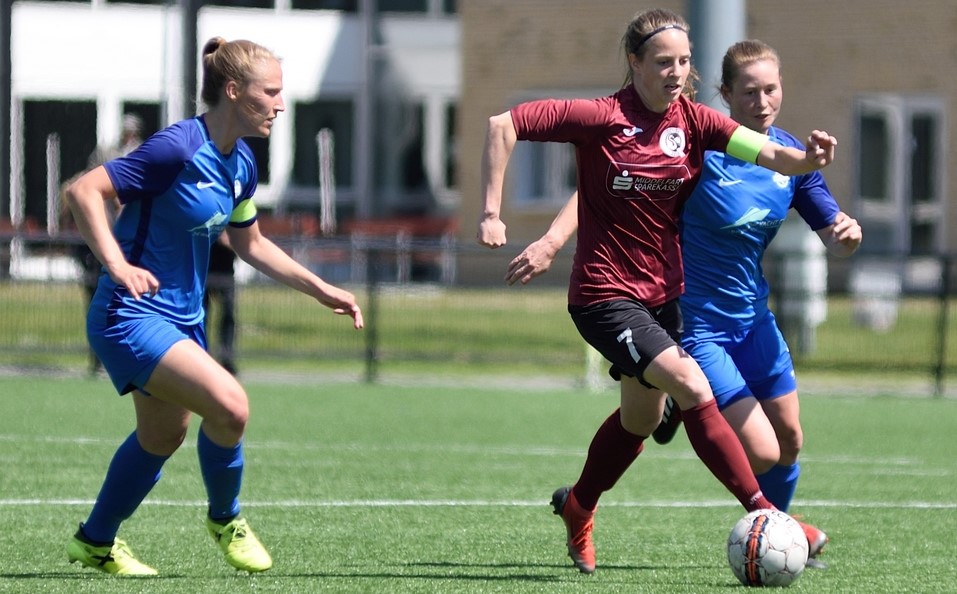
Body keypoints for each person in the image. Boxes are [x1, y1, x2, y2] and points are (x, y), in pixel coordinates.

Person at [478, 8, 835, 575]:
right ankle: (765, 511)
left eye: (685, 61)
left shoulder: (696, 123)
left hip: (662, 298)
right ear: (635, 62)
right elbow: (504, 125)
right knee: (691, 385)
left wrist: (807, 159)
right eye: (664, 62)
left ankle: (578, 506)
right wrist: (493, 214)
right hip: (603, 295)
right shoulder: (600, 117)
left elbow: (770, 153)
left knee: (640, 422)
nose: (676, 72)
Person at [64, 37, 363, 576]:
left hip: (184, 320)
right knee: (231, 406)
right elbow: (84, 191)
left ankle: (95, 540)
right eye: (270, 92)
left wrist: (321, 288)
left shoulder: (241, 162)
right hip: (130, 314)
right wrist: (116, 264)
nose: (280, 104)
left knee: (162, 435)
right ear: (233, 91)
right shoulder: (177, 148)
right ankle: (227, 520)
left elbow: (251, 244)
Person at [72, 114, 144, 375]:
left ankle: (130, 356)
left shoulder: (144, 153)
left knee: (133, 303)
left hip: (131, 242)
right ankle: (99, 359)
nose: (129, 135)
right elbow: (83, 189)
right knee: (98, 299)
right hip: (103, 241)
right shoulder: (105, 154)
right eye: (126, 131)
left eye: (132, 131)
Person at [204, 234, 239, 375]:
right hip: (204, 272)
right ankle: (202, 354)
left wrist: (234, 242)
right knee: (202, 316)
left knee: (228, 315)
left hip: (226, 273)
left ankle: (227, 359)